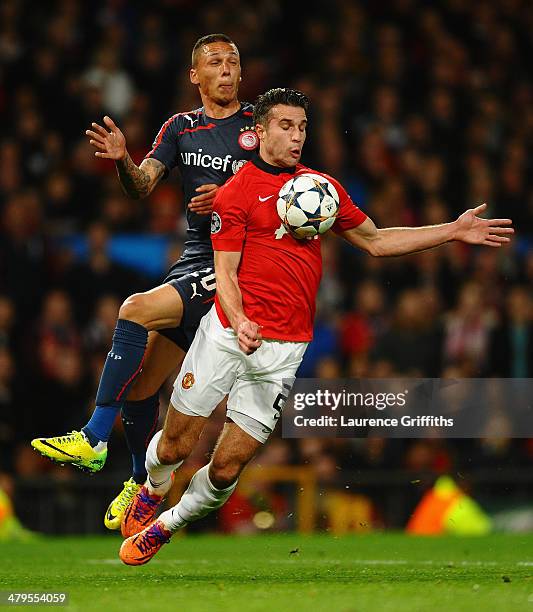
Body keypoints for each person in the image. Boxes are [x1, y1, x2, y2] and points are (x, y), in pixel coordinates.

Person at [117, 88, 513, 565]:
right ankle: (153, 488)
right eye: (286, 126)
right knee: (176, 444)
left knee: (225, 470)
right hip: (226, 334)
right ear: (259, 131)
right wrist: (240, 320)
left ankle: (166, 525)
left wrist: (450, 230)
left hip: (284, 349)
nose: (297, 135)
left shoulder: (321, 189)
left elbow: (376, 241)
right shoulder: (236, 192)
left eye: (303, 127)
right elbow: (224, 271)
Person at [31, 33, 258, 530]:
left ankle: (93, 436)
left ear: (241, 73)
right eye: (214, 62)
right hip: (193, 261)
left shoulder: (260, 127)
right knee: (141, 392)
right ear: (194, 76)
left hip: (235, 266)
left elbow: (286, 186)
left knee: (133, 308)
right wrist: (123, 161)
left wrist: (231, 194)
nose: (226, 69)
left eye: (233, 61)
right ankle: (139, 482)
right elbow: (141, 186)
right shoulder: (181, 128)